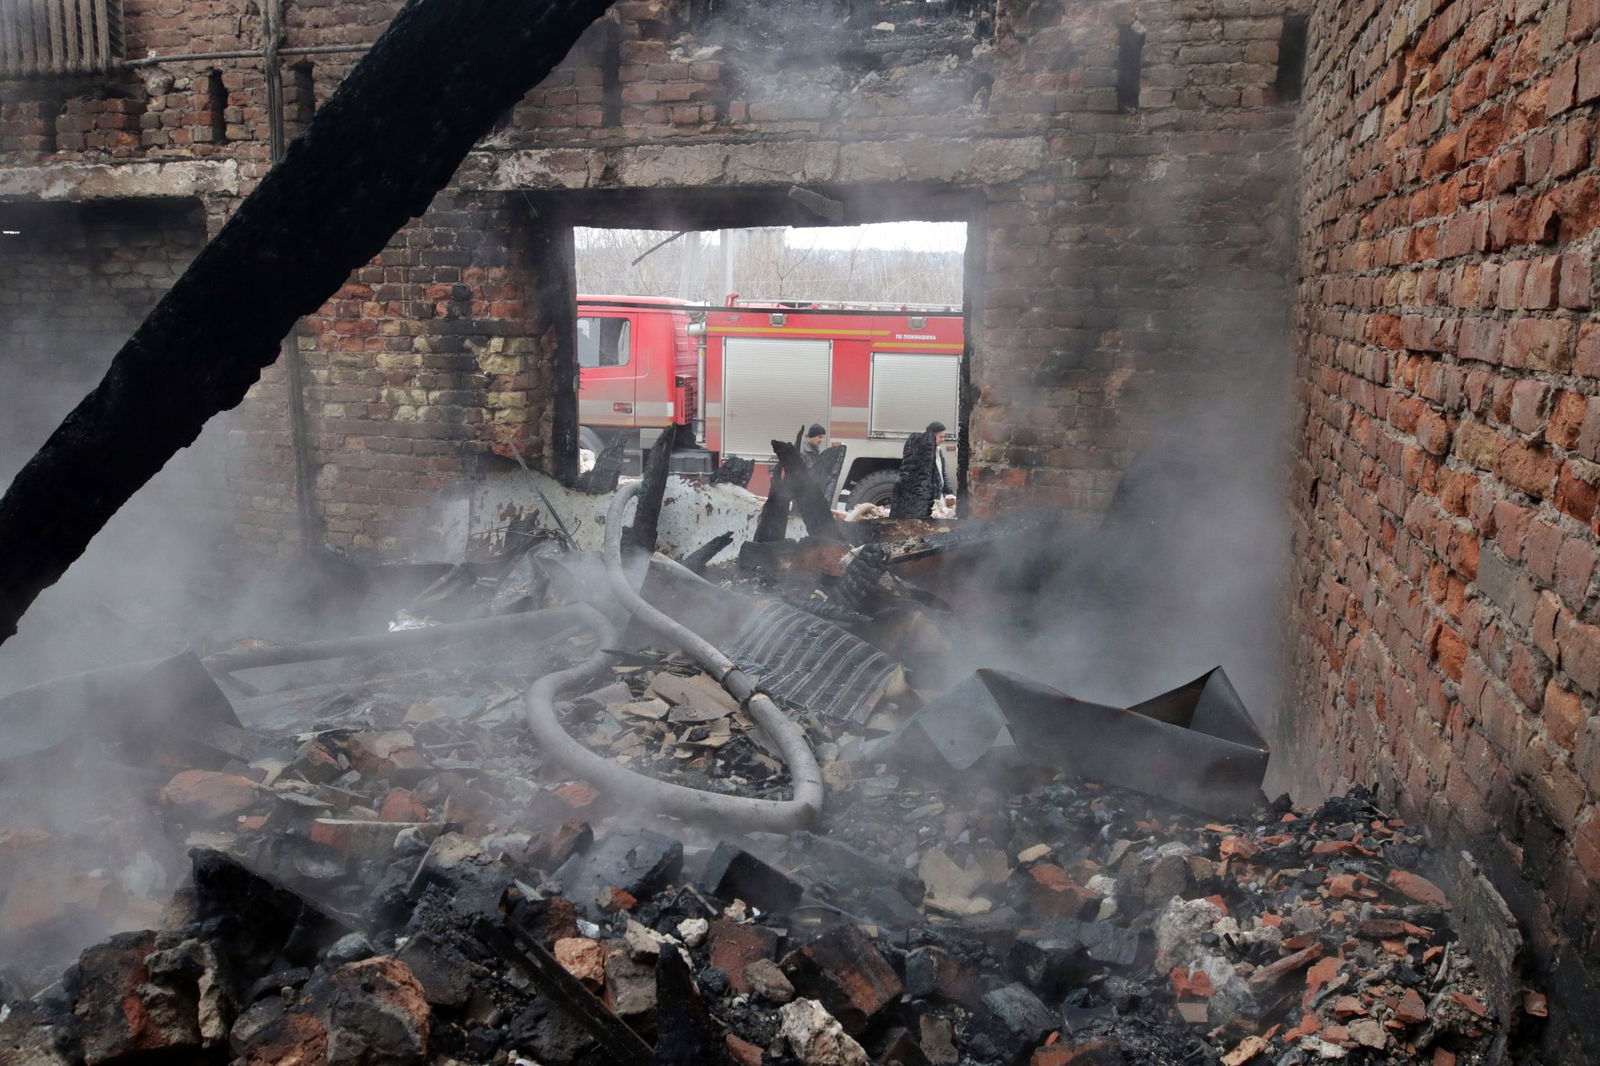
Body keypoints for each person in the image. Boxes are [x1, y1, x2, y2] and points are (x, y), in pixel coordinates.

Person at [925, 421, 956, 510]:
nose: (943, 439)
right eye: (941, 437)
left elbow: (943, 472)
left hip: (939, 498)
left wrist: (949, 493)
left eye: (944, 437)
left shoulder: (938, 451)